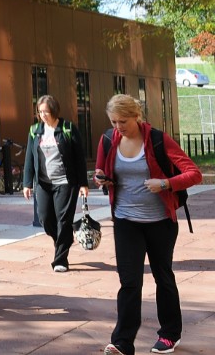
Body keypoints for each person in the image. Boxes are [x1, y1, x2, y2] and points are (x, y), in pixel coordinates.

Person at [95, 94, 201, 355]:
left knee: (162, 276)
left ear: (136, 116)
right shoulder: (108, 139)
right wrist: (102, 179)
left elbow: (194, 173)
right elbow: (101, 170)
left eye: (123, 121)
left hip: (160, 222)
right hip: (125, 221)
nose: (118, 127)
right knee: (129, 282)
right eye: (114, 121)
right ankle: (122, 342)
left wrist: (165, 183)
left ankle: (169, 334)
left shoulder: (157, 139)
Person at [21, 94, 88, 273]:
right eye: (40, 112)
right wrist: (27, 183)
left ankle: (61, 260)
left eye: (46, 112)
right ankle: (62, 240)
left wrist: (83, 183)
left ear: (54, 111)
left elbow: (79, 158)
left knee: (63, 220)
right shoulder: (35, 130)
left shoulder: (67, 128)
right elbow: (29, 157)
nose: (43, 115)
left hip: (66, 182)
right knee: (44, 217)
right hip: (43, 183)